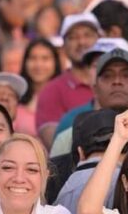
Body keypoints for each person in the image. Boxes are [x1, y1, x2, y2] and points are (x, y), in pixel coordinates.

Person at [51, 48, 128, 157]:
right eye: (108, 76)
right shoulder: (68, 139)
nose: (117, 81)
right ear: (95, 89)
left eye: (127, 75)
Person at [36, 13, 101, 150]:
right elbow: (56, 144)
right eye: (73, 37)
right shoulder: (51, 91)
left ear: (100, 40)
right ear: (63, 46)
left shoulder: (116, 84)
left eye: (87, 35)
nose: (82, 42)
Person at [18, 38, 62, 137]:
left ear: (55, 62)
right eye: (33, 58)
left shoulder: (65, 96)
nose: (38, 65)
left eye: (45, 58)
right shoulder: (16, 97)